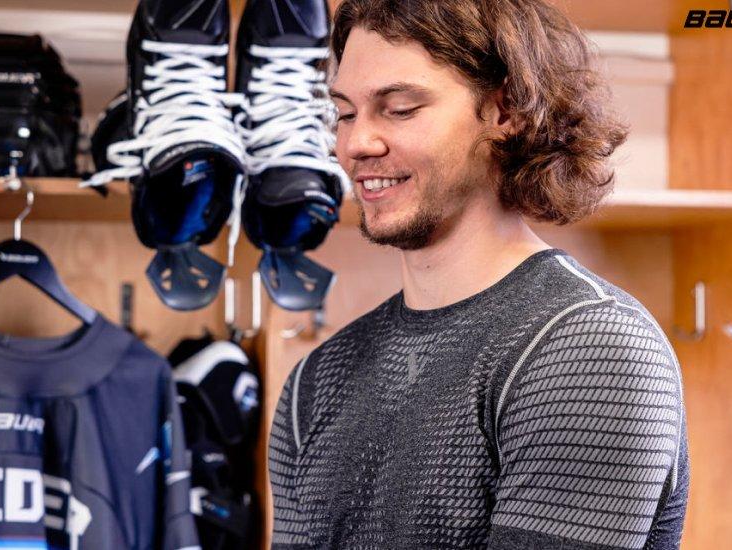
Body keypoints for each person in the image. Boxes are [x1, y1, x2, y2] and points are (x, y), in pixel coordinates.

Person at [267, 0, 689, 548]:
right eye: (346, 114)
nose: (355, 144)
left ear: (503, 111)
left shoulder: (589, 348)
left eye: (399, 109)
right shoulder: (315, 382)